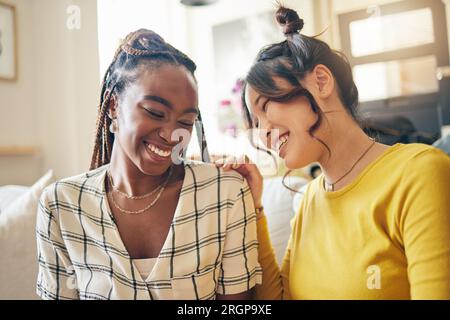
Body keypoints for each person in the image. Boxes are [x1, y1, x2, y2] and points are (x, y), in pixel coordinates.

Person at [217, 6, 450, 299]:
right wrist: (254, 209)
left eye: (265, 106)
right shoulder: (309, 201)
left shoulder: (420, 174)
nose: (262, 132)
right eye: (255, 122)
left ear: (321, 81)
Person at [36, 29, 261, 300]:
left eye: (186, 122)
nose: (170, 134)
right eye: (155, 113)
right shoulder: (60, 206)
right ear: (113, 105)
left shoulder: (225, 195)